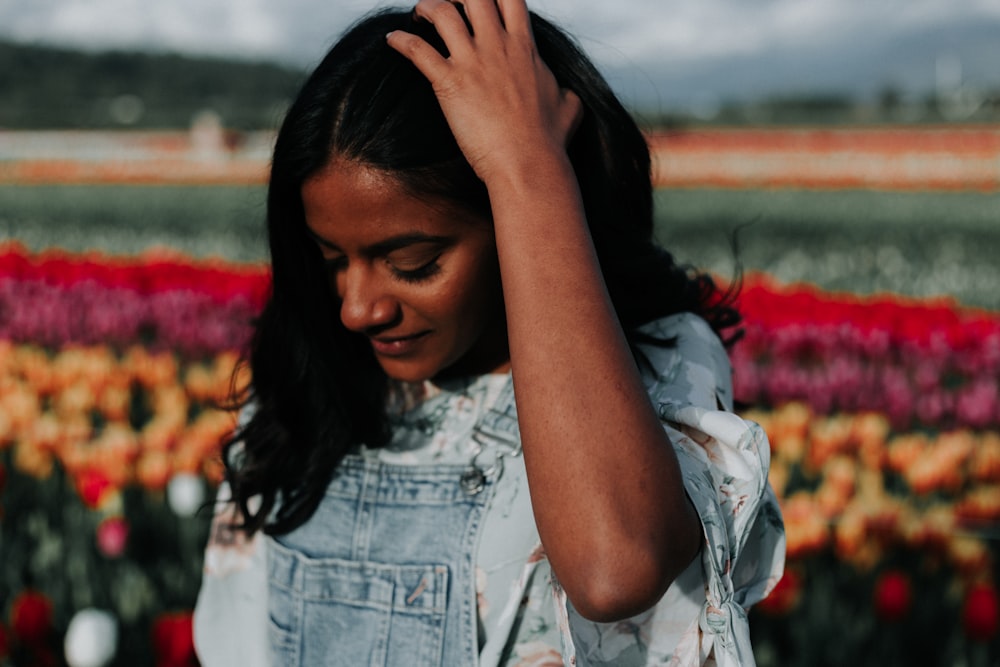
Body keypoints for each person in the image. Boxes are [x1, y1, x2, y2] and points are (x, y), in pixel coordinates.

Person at [193, 1, 785, 665]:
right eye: (331, 259)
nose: (357, 309)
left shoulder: (662, 364)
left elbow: (615, 567)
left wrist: (527, 167)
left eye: (412, 264)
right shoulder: (304, 397)